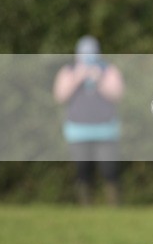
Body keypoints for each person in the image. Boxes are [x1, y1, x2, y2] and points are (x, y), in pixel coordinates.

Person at [53, 35, 125, 206]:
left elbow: (117, 94)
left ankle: (114, 205)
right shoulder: (69, 70)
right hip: (78, 132)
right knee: (83, 172)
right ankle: (86, 206)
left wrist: (99, 79)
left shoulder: (108, 70)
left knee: (110, 170)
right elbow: (60, 96)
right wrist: (78, 77)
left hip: (106, 131)